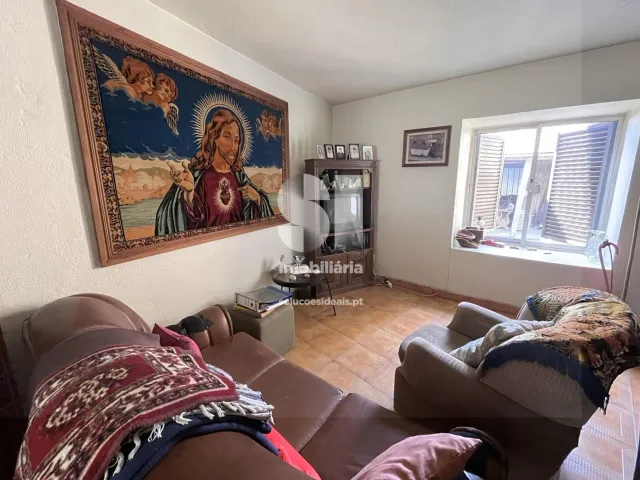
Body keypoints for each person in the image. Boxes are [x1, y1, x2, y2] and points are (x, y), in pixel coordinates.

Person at [155, 108, 273, 235]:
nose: (233, 146)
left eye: (236, 140)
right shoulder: (198, 176)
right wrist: (189, 193)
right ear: (214, 137)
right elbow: (188, 218)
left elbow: (256, 217)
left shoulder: (240, 177)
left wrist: (258, 199)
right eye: (227, 137)